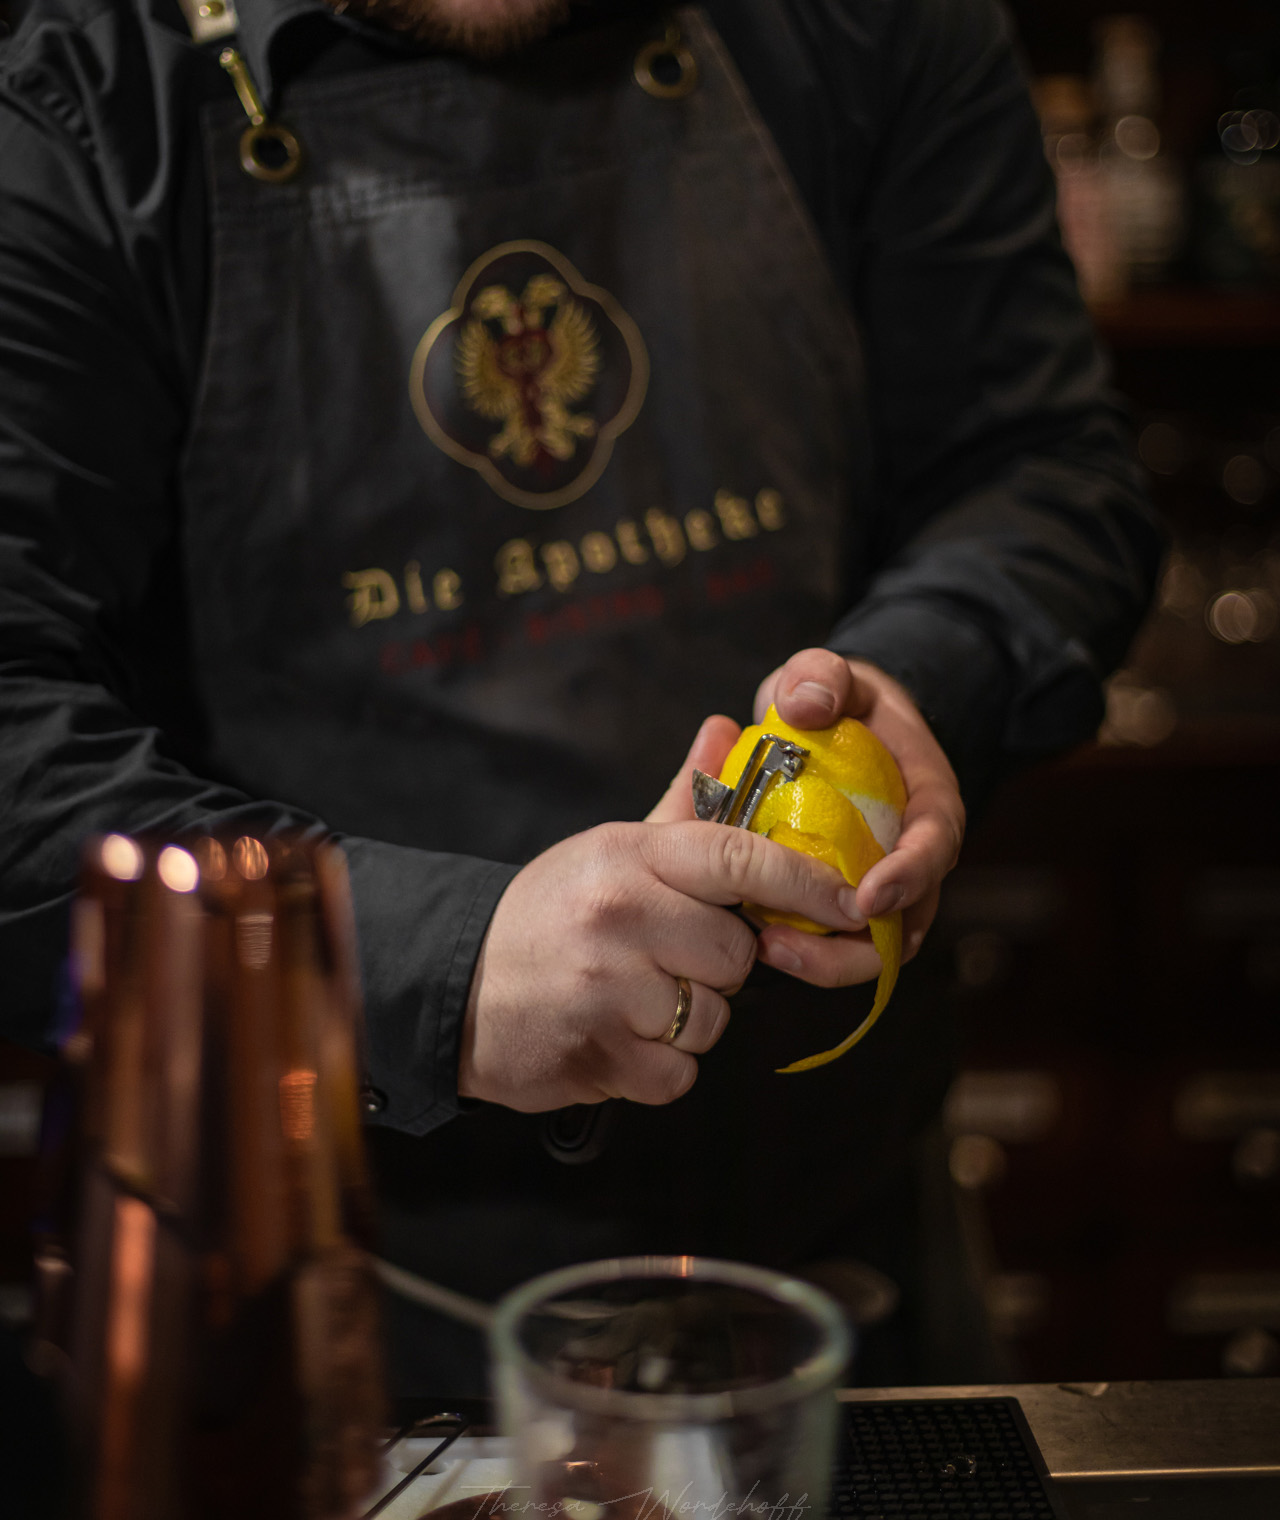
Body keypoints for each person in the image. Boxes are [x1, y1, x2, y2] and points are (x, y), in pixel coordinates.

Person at [0, 0, 1160, 1391]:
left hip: (838, 1252)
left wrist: (920, 675)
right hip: (314, 1299)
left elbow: (1040, 470)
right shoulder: (73, 105)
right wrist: (431, 962)